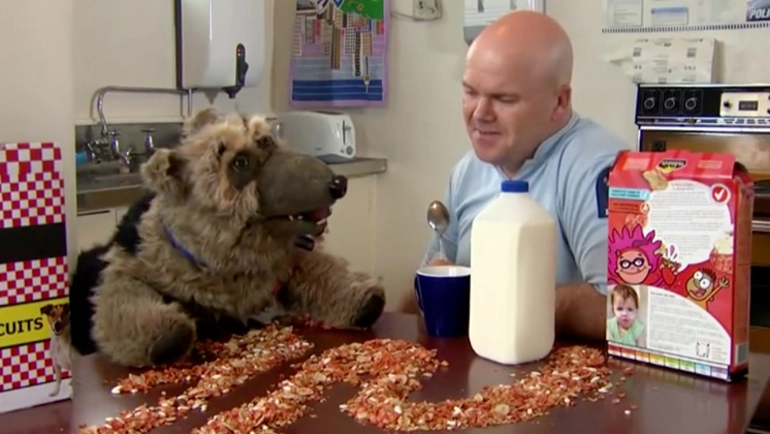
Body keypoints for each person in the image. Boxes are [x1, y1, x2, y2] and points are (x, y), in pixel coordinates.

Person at [417, 10, 629, 341]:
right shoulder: (468, 170)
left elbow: (622, 308)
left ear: (559, 102)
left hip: (572, 382)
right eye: (471, 92)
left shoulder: (598, 168)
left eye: (504, 99)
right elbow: (429, 284)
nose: (479, 114)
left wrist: (507, 305)